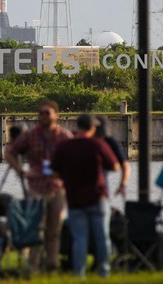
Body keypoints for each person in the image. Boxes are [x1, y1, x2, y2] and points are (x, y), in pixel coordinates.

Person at [5, 100, 73, 272]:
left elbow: (75, 158)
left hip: (57, 187)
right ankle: (33, 266)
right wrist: (20, 171)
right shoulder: (30, 135)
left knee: (54, 229)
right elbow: (10, 152)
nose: (43, 116)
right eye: (41, 113)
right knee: (36, 228)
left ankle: (52, 264)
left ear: (56, 115)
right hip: (36, 187)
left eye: (47, 113)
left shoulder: (64, 136)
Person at [51, 114, 119, 278]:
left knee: (79, 239)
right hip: (97, 197)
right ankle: (104, 272)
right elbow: (115, 166)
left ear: (78, 126)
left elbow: (54, 171)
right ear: (93, 127)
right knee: (102, 238)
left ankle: (78, 273)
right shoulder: (98, 144)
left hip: (74, 199)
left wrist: (66, 177)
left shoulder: (65, 146)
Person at [95, 115, 131, 197]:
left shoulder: (108, 141)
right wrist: (123, 185)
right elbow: (123, 166)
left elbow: (124, 166)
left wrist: (122, 185)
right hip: (101, 192)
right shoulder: (109, 141)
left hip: (98, 192)